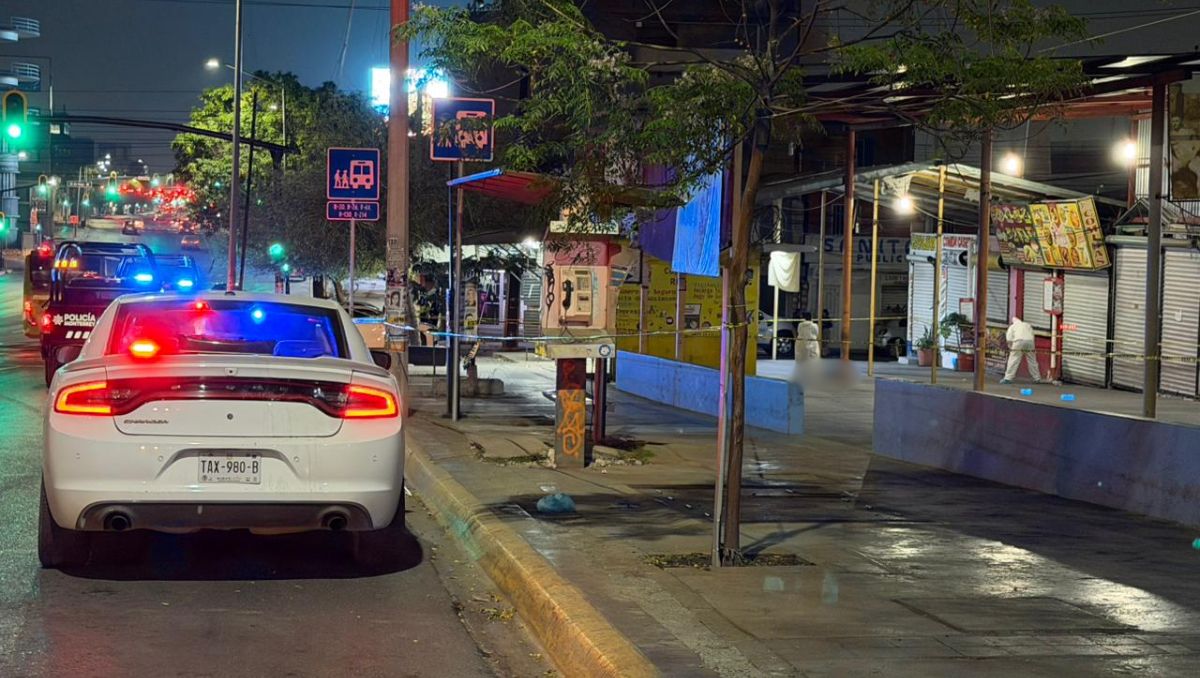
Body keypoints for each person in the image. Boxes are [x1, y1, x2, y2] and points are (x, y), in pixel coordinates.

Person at [1002, 315, 1040, 384]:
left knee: (1013, 360)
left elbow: (1009, 338)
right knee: (1032, 360)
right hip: (1030, 342)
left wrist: (1010, 347)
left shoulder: (1013, 326)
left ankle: (1008, 378)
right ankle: (1036, 378)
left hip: (1018, 342)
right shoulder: (1027, 325)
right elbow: (1032, 334)